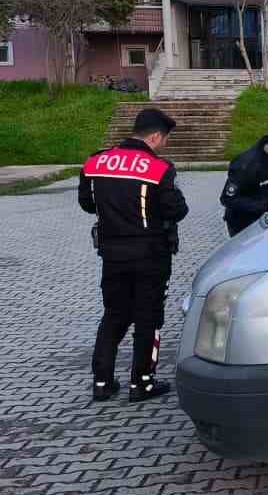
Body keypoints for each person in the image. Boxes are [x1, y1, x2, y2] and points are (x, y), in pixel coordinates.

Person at [78, 107, 188, 403]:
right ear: (155, 136)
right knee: (148, 317)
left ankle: (102, 382)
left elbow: (87, 204)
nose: (164, 144)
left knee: (114, 314)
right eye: (164, 139)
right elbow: (177, 210)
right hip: (151, 255)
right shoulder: (159, 168)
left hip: (111, 255)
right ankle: (142, 383)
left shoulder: (96, 161)